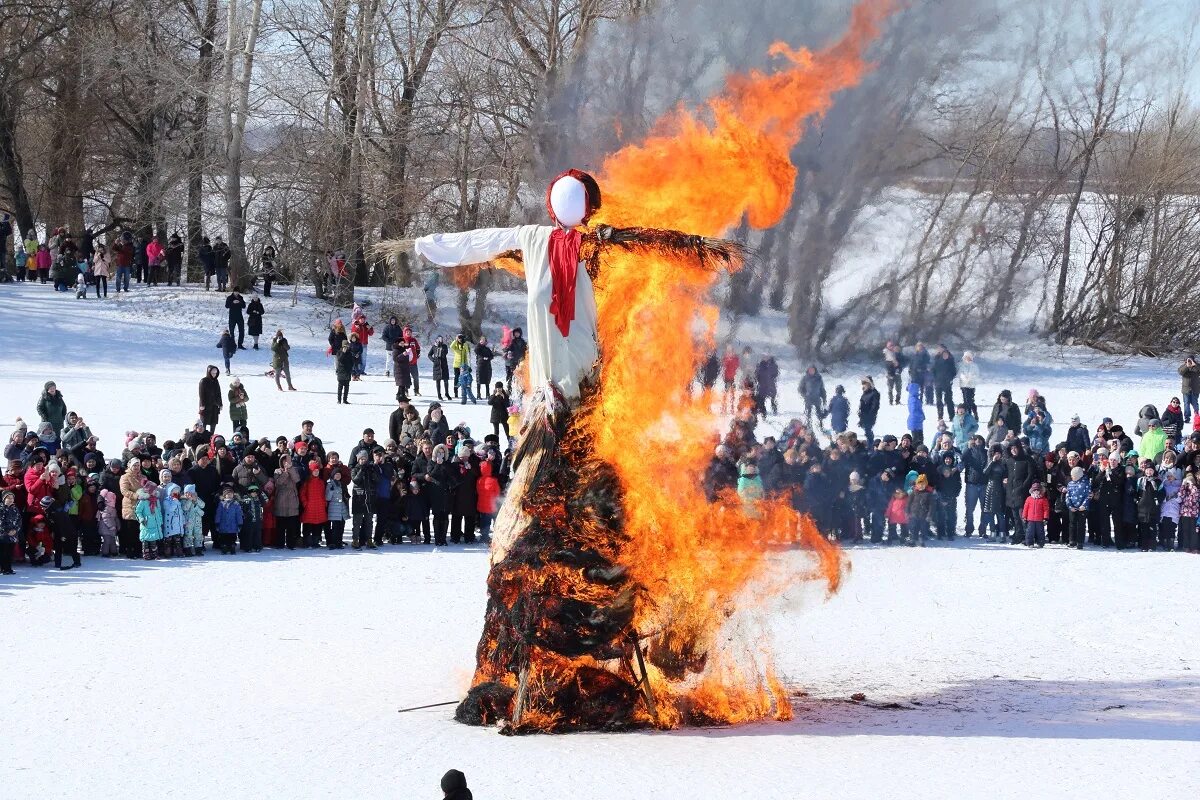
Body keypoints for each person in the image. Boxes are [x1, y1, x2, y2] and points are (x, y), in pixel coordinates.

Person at [931, 347, 958, 420]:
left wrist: (950, 378)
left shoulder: (950, 362)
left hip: (947, 383)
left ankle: (951, 416)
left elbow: (954, 372)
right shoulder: (937, 362)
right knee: (939, 400)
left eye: (947, 355)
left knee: (949, 400)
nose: (945, 356)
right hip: (938, 383)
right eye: (944, 355)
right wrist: (935, 379)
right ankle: (940, 416)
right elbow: (933, 370)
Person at [1022, 481, 1049, 547]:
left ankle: (1041, 543)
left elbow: (1046, 509)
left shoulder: (1043, 499)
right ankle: (1030, 543)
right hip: (1030, 519)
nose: (1036, 491)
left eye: (1038, 490)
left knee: (1040, 532)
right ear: (1032, 491)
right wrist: (1024, 516)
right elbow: (1025, 508)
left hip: (1039, 519)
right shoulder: (1029, 499)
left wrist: (1045, 518)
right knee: (1030, 532)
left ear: (1040, 491)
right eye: (1035, 490)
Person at [501, 327, 527, 392]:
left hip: (521, 361)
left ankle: (521, 390)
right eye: (515, 333)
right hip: (513, 361)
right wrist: (505, 349)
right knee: (511, 375)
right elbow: (507, 348)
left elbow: (525, 350)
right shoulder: (512, 341)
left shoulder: (523, 342)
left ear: (520, 333)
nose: (516, 334)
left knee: (521, 376)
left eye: (517, 333)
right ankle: (509, 389)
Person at [199, 365, 223, 433]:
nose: (214, 375)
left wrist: (220, 404)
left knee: (214, 422)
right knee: (204, 422)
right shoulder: (203, 381)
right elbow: (201, 394)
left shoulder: (216, 381)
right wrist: (202, 404)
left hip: (215, 405)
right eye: (212, 373)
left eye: (215, 373)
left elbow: (219, 393)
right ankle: (203, 435)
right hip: (206, 405)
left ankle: (211, 435)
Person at [430, 335, 451, 400]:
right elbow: (429, 354)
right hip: (437, 365)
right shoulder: (434, 347)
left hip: (444, 365)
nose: (440, 340)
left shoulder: (444, 346)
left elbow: (446, 353)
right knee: (438, 381)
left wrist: (442, 349)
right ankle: (439, 394)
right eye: (439, 339)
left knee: (446, 380)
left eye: (441, 339)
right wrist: (433, 360)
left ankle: (447, 393)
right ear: (436, 340)